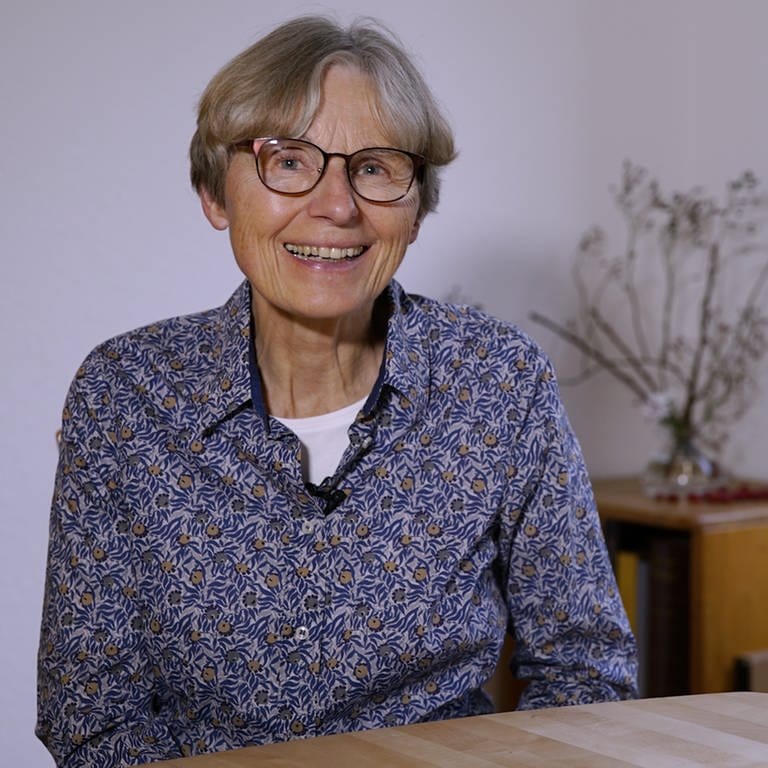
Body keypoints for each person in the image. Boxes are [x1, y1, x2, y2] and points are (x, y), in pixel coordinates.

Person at [36, 15, 638, 767]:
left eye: (376, 167)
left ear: (416, 209)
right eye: (288, 161)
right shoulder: (124, 395)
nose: (337, 205)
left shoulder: (498, 382)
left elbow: (588, 674)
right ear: (214, 193)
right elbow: (92, 722)